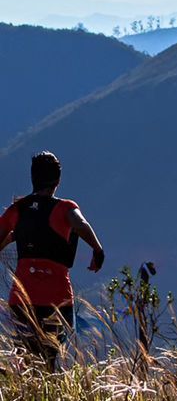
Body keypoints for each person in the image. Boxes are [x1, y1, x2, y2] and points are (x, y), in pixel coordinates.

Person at [0, 151, 105, 369]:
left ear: (33, 178)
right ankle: (43, 397)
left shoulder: (18, 209)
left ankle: (26, 398)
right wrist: (97, 249)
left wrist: (14, 236)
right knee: (49, 358)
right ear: (58, 180)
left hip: (22, 299)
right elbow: (80, 225)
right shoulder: (65, 207)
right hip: (56, 300)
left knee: (26, 358)